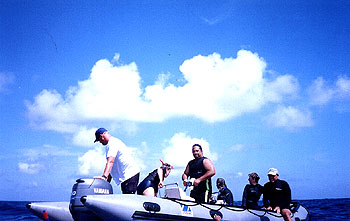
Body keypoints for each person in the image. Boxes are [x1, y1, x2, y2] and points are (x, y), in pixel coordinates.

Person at [94, 128, 140, 194]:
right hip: (126, 177)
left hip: (130, 175)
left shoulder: (112, 143)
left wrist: (104, 177)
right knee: (126, 196)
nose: (100, 142)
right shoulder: (112, 143)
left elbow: (110, 161)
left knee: (128, 198)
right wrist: (106, 183)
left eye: (99, 140)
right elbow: (111, 168)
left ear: (102, 136)